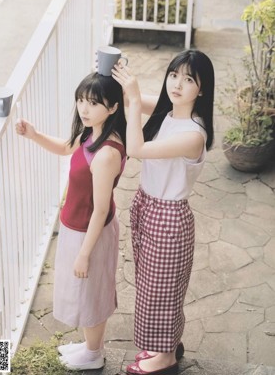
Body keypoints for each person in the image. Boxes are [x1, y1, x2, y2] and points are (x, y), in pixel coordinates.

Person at [112, 49, 214, 375]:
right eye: (173, 75)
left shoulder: (194, 135)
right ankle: (166, 345)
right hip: (149, 207)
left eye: (188, 79)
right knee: (151, 287)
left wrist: (132, 99)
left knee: (163, 291)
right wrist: (120, 83)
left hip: (169, 217)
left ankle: (166, 358)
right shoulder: (169, 112)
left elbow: (137, 149)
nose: (177, 84)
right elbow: (140, 100)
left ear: (202, 89)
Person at [15, 73, 127, 371]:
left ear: (114, 107)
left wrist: (84, 253)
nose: (84, 109)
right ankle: (91, 347)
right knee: (85, 293)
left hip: (90, 233)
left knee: (92, 294)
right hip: (76, 226)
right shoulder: (92, 133)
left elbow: (100, 210)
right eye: (81, 100)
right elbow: (67, 147)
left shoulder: (106, 153)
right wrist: (34, 135)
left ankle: (94, 354)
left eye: (93, 102)